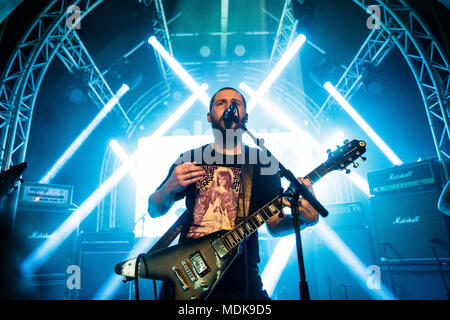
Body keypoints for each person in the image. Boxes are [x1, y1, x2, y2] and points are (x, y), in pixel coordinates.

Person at [147, 87, 319, 300]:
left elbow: (275, 225)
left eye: (236, 102)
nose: (229, 106)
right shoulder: (191, 157)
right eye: (221, 102)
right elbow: (154, 210)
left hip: (243, 281)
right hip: (188, 277)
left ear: (245, 116)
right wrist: (168, 187)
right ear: (209, 116)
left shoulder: (263, 162)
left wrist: (304, 220)